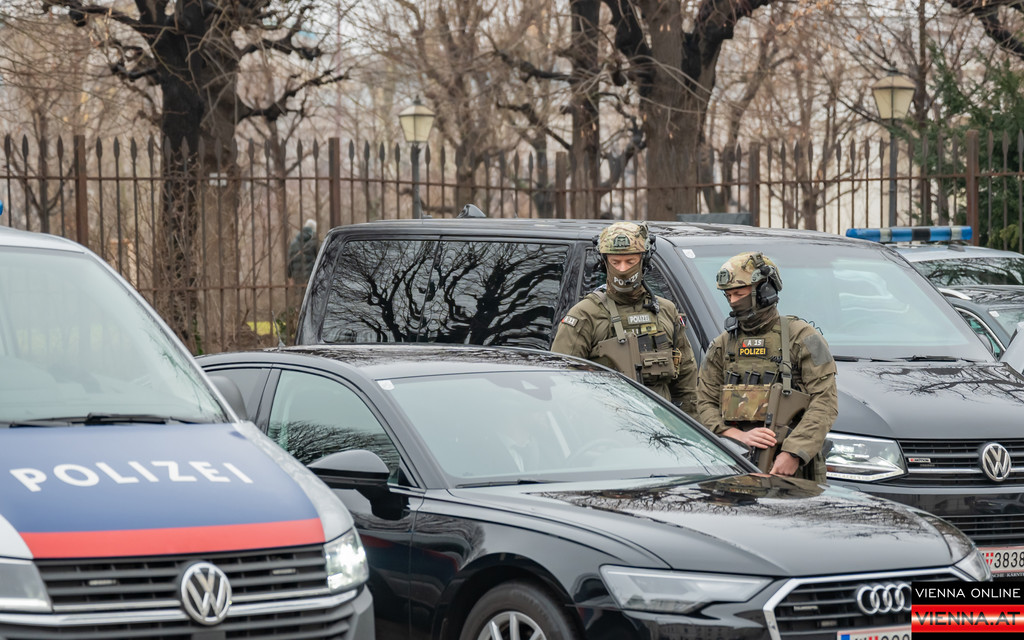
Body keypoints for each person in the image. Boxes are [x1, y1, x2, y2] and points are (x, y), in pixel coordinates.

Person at [696, 251, 837, 481]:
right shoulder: (723, 344)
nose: (733, 302)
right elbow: (704, 401)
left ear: (765, 292)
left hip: (792, 469)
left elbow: (825, 401)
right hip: (735, 461)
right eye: (728, 295)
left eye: (739, 294)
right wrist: (734, 435)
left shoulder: (803, 337)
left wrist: (794, 452)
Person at [551, 221, 697, 414]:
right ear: (604, 262)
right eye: (615, 262)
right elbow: (562, 382)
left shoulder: (666, 311)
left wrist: (689, 427)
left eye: (630, 261)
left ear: (644, 260)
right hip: (607, 424)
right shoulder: (585, 314)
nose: (622, 270)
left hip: (662, 425)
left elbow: (686, 381)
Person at [287, 218, 320, 285]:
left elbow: (290, 261)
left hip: (297, 277)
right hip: (311, 277)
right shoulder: (314, 242)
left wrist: (289, 276)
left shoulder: (294, 244)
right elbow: (320, 259)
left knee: (299, 291)